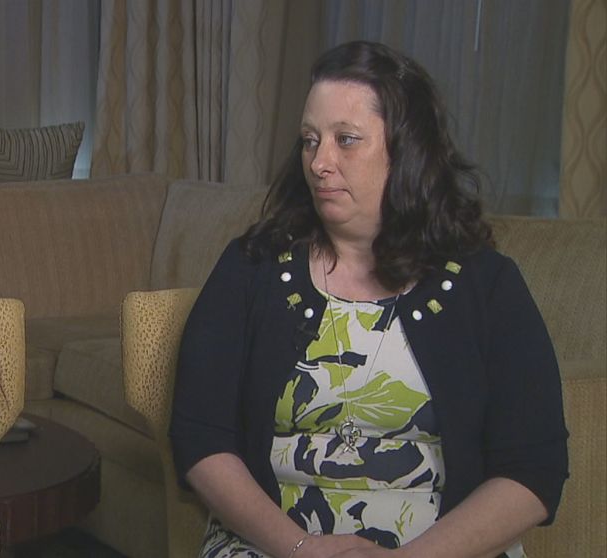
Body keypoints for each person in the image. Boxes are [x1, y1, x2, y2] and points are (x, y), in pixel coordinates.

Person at [169, 41, 568, 558]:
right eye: (310, 140)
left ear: (407, 151)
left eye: (347, 140)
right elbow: (201, 439)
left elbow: (533, 470)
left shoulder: (485, 285)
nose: (319, 162)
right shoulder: (251, 269)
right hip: (274, 544)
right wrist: (300, 547)